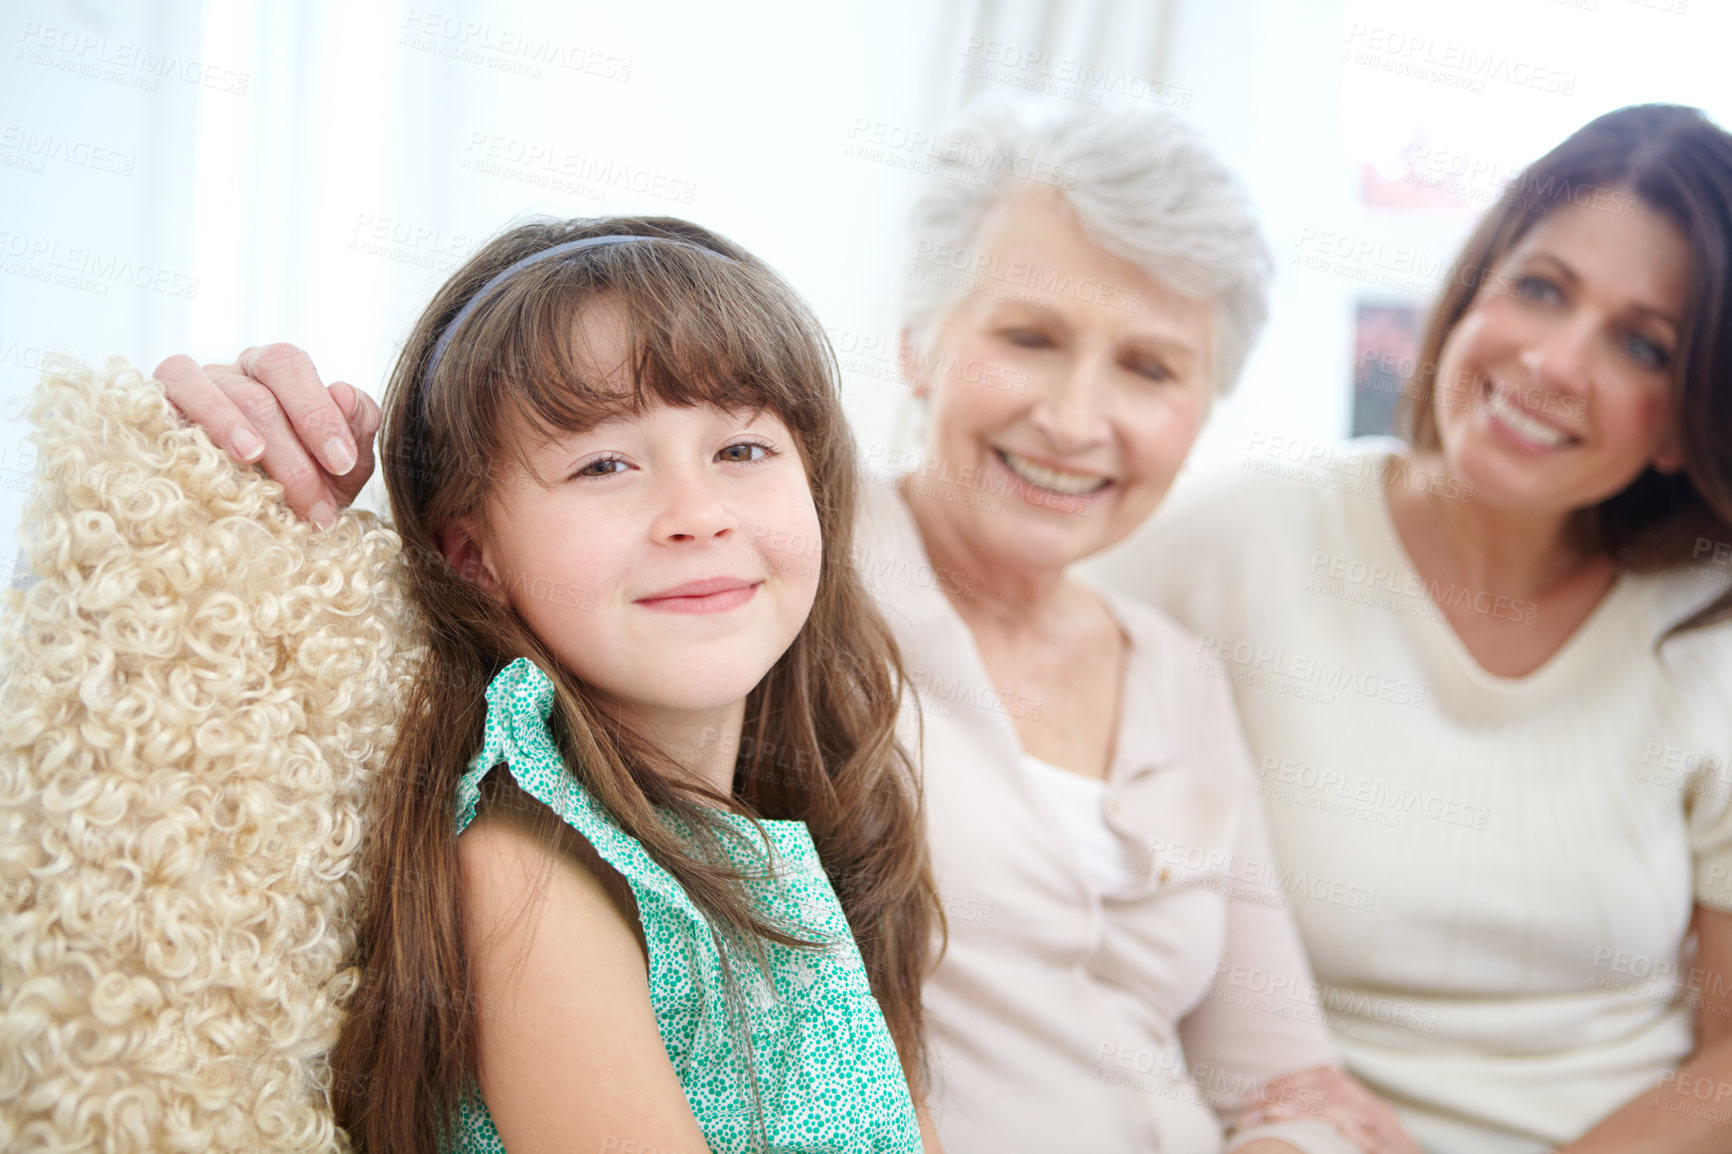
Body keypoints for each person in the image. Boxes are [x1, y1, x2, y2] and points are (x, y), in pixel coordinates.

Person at [159, 105, 1408, 1153]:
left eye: (1148, 366)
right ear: (918, 344)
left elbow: (1279, 1076)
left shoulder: (1161, 675)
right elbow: (483, 514)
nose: (1077, 417)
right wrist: (266, 493)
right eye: (1029, 335)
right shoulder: (773, 579)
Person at [167, 217, 945, 1154]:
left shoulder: (802, 832)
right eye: (604, 464)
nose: (696, 515)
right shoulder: (527, 865)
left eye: (741, 451)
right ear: (473, 556)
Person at [1087, 104, 1732, 1153]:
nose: (1555, 363)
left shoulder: (1708, 634)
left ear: (1686, 421)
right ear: (1471, 288)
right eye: (1539, 288)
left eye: (1640, 344)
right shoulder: (1234, 539)